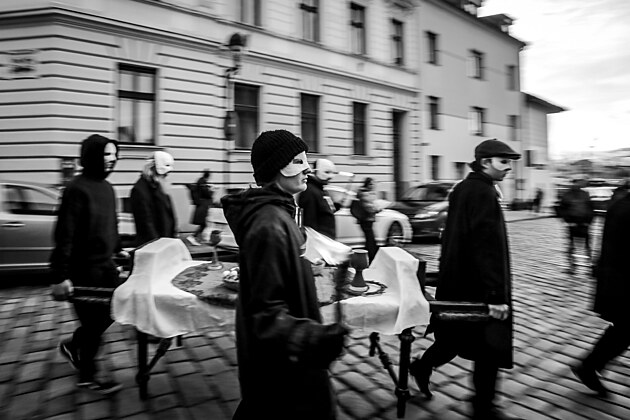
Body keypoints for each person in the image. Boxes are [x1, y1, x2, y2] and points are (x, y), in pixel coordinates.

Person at [221, 129, 349, 420]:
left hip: (283, 369)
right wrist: (313, 337)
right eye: (297, 161)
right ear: (276, 167)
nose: (307, 168)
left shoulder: (279, 214)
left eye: (306, 160)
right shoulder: (269, 224)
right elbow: (265, 315)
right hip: (284, 373)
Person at [409, 139, 523, 420]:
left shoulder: (462, 188)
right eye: (503, 161)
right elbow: (487, 247)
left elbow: (453, 236)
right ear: (485, 162)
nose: (509, 167)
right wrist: (495, 296)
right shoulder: (483, 192)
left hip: (459, 281)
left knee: (452, 339)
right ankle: (483, 407)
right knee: (489, 348)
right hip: (479, 288)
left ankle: (421, 367)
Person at [50, 134, 125, 395]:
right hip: (82, 270)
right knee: (93, 325)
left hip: (105, 266)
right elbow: (65, 234)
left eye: (114, 155)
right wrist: (59, 276)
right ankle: (88, 375)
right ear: (92, 156)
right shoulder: (76, 189)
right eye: (106, 154)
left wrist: (118, 250)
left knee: (116, 309)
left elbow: (111, 224)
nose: (112, 159)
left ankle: (74, 345)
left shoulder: (108, 188)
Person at [572, 189, 630, 397]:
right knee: (624, 329)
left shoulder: (620, 203)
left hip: (617, 280)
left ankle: (589, 366)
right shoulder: (624, 207)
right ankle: (589, 366)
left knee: (623, 329)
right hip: (622, 282)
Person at [129, 151, 177, 247]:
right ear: (153, 169)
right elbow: (146, 224)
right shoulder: (140, 190)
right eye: (164, 174)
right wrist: (158, 246)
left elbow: (169, 216)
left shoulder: (159, 186)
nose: (166, 177)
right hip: (153, 247)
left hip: (165, 243)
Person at [557, 177, 595, 274]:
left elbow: (590, 209)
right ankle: (573, 266)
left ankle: (589, 267)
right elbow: (562, 209)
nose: (579, 184)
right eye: (578, 182)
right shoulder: (568, 195)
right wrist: (568, 221)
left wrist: (588, 221)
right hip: (573, 224)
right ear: (574, 183)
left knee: (585, 246)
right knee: (573, 246)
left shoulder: (584, 194)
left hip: (582, 224)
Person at [297, 158, 340, 239]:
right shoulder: (310, 192)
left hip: (325, 240)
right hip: (319, 241)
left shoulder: (320, 190)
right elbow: (309, 223)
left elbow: (324, 212)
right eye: (326, 172)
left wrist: (337, 206)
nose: (330, 177)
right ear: (316, 172)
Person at [356, 177, 381, 262]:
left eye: (373, 184)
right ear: (367, 184)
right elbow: (368, 206)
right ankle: (371, 257)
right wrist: (376, 209)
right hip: (366, 219)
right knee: (370, 239)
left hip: (367, 219)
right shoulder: (365, 193)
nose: (373, 185)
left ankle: (369, 256)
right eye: (371, 184)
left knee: (369, 239)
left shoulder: (366, 193)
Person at [187, 169, 214, 246]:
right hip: (203, 206)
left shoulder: (200, 181)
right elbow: (207, 194)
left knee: (204, 224)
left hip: (201, 205)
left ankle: (198, 238)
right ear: (208, 176)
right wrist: (211, 190)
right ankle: (193, 237)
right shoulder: (203, 183)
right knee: (204, 224)